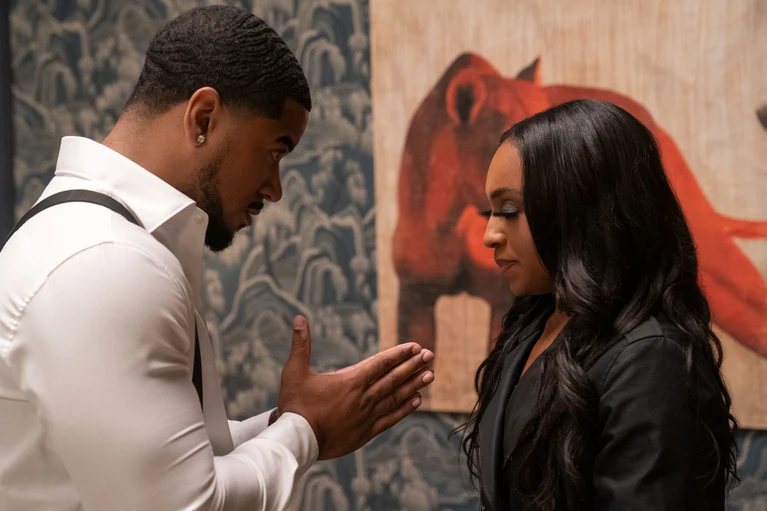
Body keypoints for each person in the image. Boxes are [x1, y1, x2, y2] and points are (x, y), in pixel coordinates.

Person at [0, 6, 434, 511]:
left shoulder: (100, 242)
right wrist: (305, 431)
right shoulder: (103, 262)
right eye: (275, 152)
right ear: (203, 118)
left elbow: (172, 456)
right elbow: (188, 504)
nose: (274, 189)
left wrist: (292, 422)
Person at [460, 99, 738, 511]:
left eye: (510, 210)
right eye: (490, 211)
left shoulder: (652, 358)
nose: (489, 235)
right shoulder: (531, 324)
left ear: (580, 208)